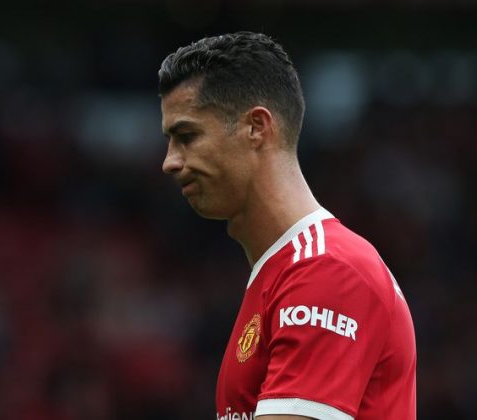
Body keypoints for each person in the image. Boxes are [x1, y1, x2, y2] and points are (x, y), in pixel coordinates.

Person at [158, 32, 416, 420]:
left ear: (257, 127)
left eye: (187, 136)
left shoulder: (327, 269)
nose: (170, 162)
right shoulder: (282, 272)